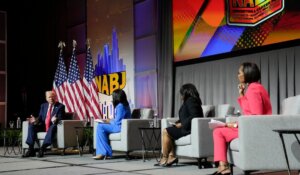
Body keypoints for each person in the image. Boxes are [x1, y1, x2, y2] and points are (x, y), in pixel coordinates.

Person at [211, 62, 272, 175]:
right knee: (220, 130)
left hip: (253, 129)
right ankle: (223, 166)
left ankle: (223, 167)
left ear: (247, 73)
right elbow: (250, 112)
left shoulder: (253, 89)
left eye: (239, 73)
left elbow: (255, 117)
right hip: (254, 126)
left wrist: (236, 125)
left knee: (218, 132)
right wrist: (242, 94)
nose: (237, 75)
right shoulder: (257, 87)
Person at [156, 83, 204, 167]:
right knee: (169, 130)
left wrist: (181, 124)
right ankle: (171, 157)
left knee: (166, 131)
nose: (181, 95)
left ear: (186, 92)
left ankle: (165, 158)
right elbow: (187, 115)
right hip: (187, 127)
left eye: (181, 93)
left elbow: (195, 116)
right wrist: (178, 122)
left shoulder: (191, 100)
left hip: (189, 129)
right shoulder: (191, 100)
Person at [23, 91, 65, 158]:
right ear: (46, 98)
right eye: (49, 97)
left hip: (53, 126)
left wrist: (56, 119)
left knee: (53, 127)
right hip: (43, 126)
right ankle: (31, 149)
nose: (51, 98)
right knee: (31, 126)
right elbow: (40, 117)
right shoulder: (43, 106)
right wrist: (35, 120)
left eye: (53, 97)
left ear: (55, 97)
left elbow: (61, 117)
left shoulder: (60, 106)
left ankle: (42, 148)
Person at [93, 89, 131, 160]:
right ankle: (104, 152)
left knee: (100, 126)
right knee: (101, 127)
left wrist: (109, 121)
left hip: (120, 127)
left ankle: (103, 153)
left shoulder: (120, 106)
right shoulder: (125, 105)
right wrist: (110, 120)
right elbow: (118, 119)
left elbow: (117, 122)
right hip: (121, 126)